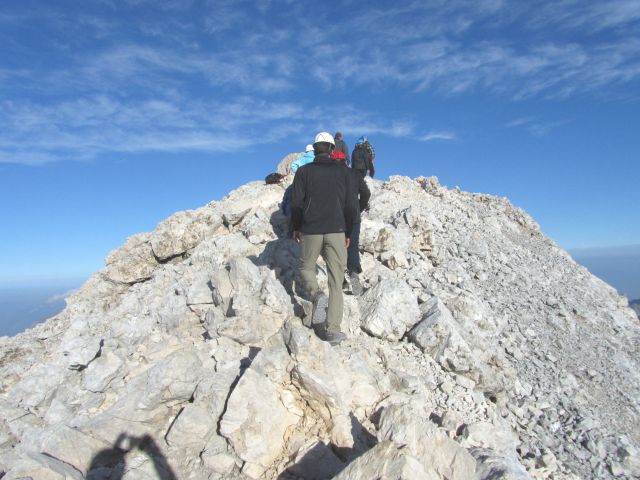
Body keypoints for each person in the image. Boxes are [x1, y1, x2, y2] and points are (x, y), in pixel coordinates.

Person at [291, 132, 357, 346]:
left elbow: (297, 204)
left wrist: (296, 227)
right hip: (337, 230)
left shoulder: (303, 171)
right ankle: (333, 330)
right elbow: (351, 205)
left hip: (310, 230)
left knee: (306, 268)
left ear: (314, 148)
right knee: (336, 280)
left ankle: (316, 294)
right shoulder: (345, 172)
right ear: (331, 148)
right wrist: (347, 232)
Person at [332, 149, 371, 295]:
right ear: (345, 161)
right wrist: (359, 208)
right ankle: (354, 273)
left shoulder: (329, 175)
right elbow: (366, 193)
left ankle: (340, 279)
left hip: (335, 217)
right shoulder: (355, 173)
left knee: (336, 247)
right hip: (353, 216)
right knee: (352, 246)